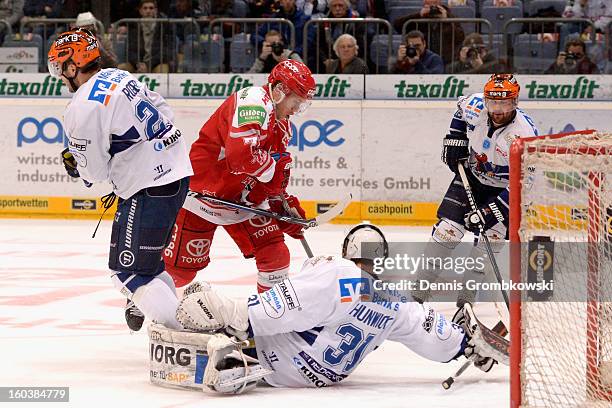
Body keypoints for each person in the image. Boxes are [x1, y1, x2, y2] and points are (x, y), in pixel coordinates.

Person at [165, 223, 499, 393]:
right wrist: (464, 345)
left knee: (203, 298)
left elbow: (278, 310)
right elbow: (440, 343)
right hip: (327, 376)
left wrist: (234, 314)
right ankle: (240, 350)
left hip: (280, 365)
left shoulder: (339, 273)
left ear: (348, 251)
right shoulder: (396, 300)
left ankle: (236, 355)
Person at [48, 29, 193, 330]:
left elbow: (95, 172)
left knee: (129, 273)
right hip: (176, 174)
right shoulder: (120, 76)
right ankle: (184, 322)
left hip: (149, 186)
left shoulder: (82, 105)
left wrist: (77, 166)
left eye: (60, 68)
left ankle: (189, 337)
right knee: (149, 267)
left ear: (72, 67)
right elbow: (164, 112)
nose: (60, 76)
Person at [161, 60, 316, 303]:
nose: (297, 109)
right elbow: (241, 158)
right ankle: (141, 293)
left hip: (238, 200)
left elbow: (269, 180)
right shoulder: (253, 101)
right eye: (296, 101)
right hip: (202, 195)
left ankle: (270, 316)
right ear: (278, 91)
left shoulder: (283, 125)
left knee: (275, 253)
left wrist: (282, 206)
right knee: (180, 272)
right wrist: (273, 170)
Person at [411, 74, 539, 306]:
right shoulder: (475, 105)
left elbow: (523, 185)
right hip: (472, 177)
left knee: (489, 241)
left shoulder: (524, 135)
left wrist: (490, 212)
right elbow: (459, 111)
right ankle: (418, 292)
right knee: (446, 232)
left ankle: (466, 299)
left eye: (505, 103)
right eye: (493, 103)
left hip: (503, 190)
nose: (498, 110)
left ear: (516, 102)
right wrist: (456, 137)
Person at [393, 0, 464, 66]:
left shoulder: (451, 18)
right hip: (424, 59)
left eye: (435, 5)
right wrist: (419, 15)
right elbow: (398, 26)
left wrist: (446, 20)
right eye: (429, 5)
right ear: (424, 3)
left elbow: (460, 37)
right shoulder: (418, 18)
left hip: (447, 60)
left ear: (440, 3)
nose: (433, 8)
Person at [120, 0, 176, 73]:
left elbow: (166, 50)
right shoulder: (134, 27)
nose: (148, 11)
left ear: (156, 10)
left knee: (162, 70)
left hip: (157, 63)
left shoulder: (164, 26)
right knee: (121, 68)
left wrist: (149, 64)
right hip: (138, 64)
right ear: (140, 11)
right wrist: (138, 64)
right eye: (145, 8)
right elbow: (130, 50)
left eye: (151, 8)